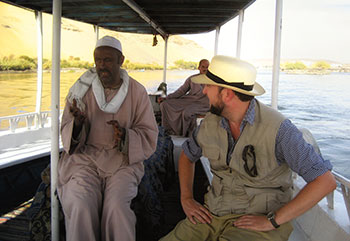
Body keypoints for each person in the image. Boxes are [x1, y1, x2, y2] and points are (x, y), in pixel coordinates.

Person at [160, 55, 336, 241]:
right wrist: (186, 198)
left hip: (258, 222)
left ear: (227, 94)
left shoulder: (279, 130)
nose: (203, 91)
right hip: (211, 215)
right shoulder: (209, 123)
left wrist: (273, 221)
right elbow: (188, 155)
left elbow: (324, 181)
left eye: (208, 86)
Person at [57, 35, 158, 241]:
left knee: (117, 207)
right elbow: (66, 129)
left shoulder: (137, 92)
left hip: (122, 161)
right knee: (80, 203)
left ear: (121, 60)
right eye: (98, 60)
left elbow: (148, 133)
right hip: (85, 160)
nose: (102, 65)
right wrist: (77, 125)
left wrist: (126, 137)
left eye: (108, 60)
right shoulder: (80, 90)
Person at [158, 59, 210, 136]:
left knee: (187, 112)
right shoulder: (192, 78)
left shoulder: (212, 80)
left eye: (207, 67)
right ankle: (168, 131)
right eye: (203, 67)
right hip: (189, 100)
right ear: (199, 67)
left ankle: (184, 133)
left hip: (203, 103)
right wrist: (167, 98)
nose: (205, 69)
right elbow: (181, 91)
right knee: (165, 104)